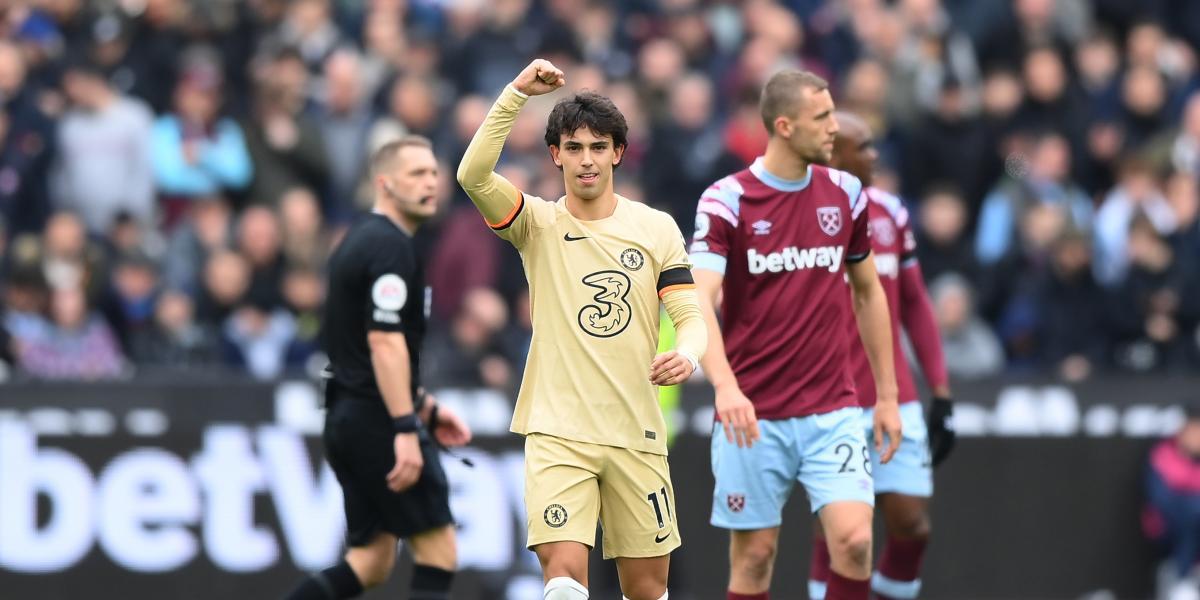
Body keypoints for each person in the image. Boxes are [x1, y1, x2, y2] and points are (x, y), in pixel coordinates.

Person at [457, 59, 707, 600]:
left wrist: (689, 354)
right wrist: (516, 93)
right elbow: (472, 175)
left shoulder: (656, 228)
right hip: (558, 432)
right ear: (555, 155)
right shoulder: (537, 223)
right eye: (573, 148)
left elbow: (689, 314)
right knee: (565, 582)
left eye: (598, 147)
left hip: (636, 432)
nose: (586, 159)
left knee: (648, 590)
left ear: (618, 152)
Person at [690, 70, 902, 600]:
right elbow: (696, 299)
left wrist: (888, 395)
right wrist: (725, 387)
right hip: (752, 415)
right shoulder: (727, 200)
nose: (835, 127)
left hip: (833, 409)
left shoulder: (846, 193)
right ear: (784, 126)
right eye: (822, 117)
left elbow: (868, 292)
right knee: (755, 559)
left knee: (855, 541)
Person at [285, 136, 472, 600]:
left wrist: (424, 406)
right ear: (385, 184)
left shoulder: (359, 239)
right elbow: (383, 342)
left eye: (434, 173)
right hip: (379, 421)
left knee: (370, 562)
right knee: (439, 553)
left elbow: (358, 351)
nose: (431, 183)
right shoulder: (390, 247)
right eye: (417, 174)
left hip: (349, 415)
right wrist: (406, 426)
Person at [808, 112, 954, 600]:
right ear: (835, 154)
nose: (875, 156)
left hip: (896, 395)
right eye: (865, 147)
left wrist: (941, 391)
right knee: (842, 532)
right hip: (832, 400)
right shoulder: (802, 213)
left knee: (912, 525)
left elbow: (915, 302)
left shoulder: (891, 211)